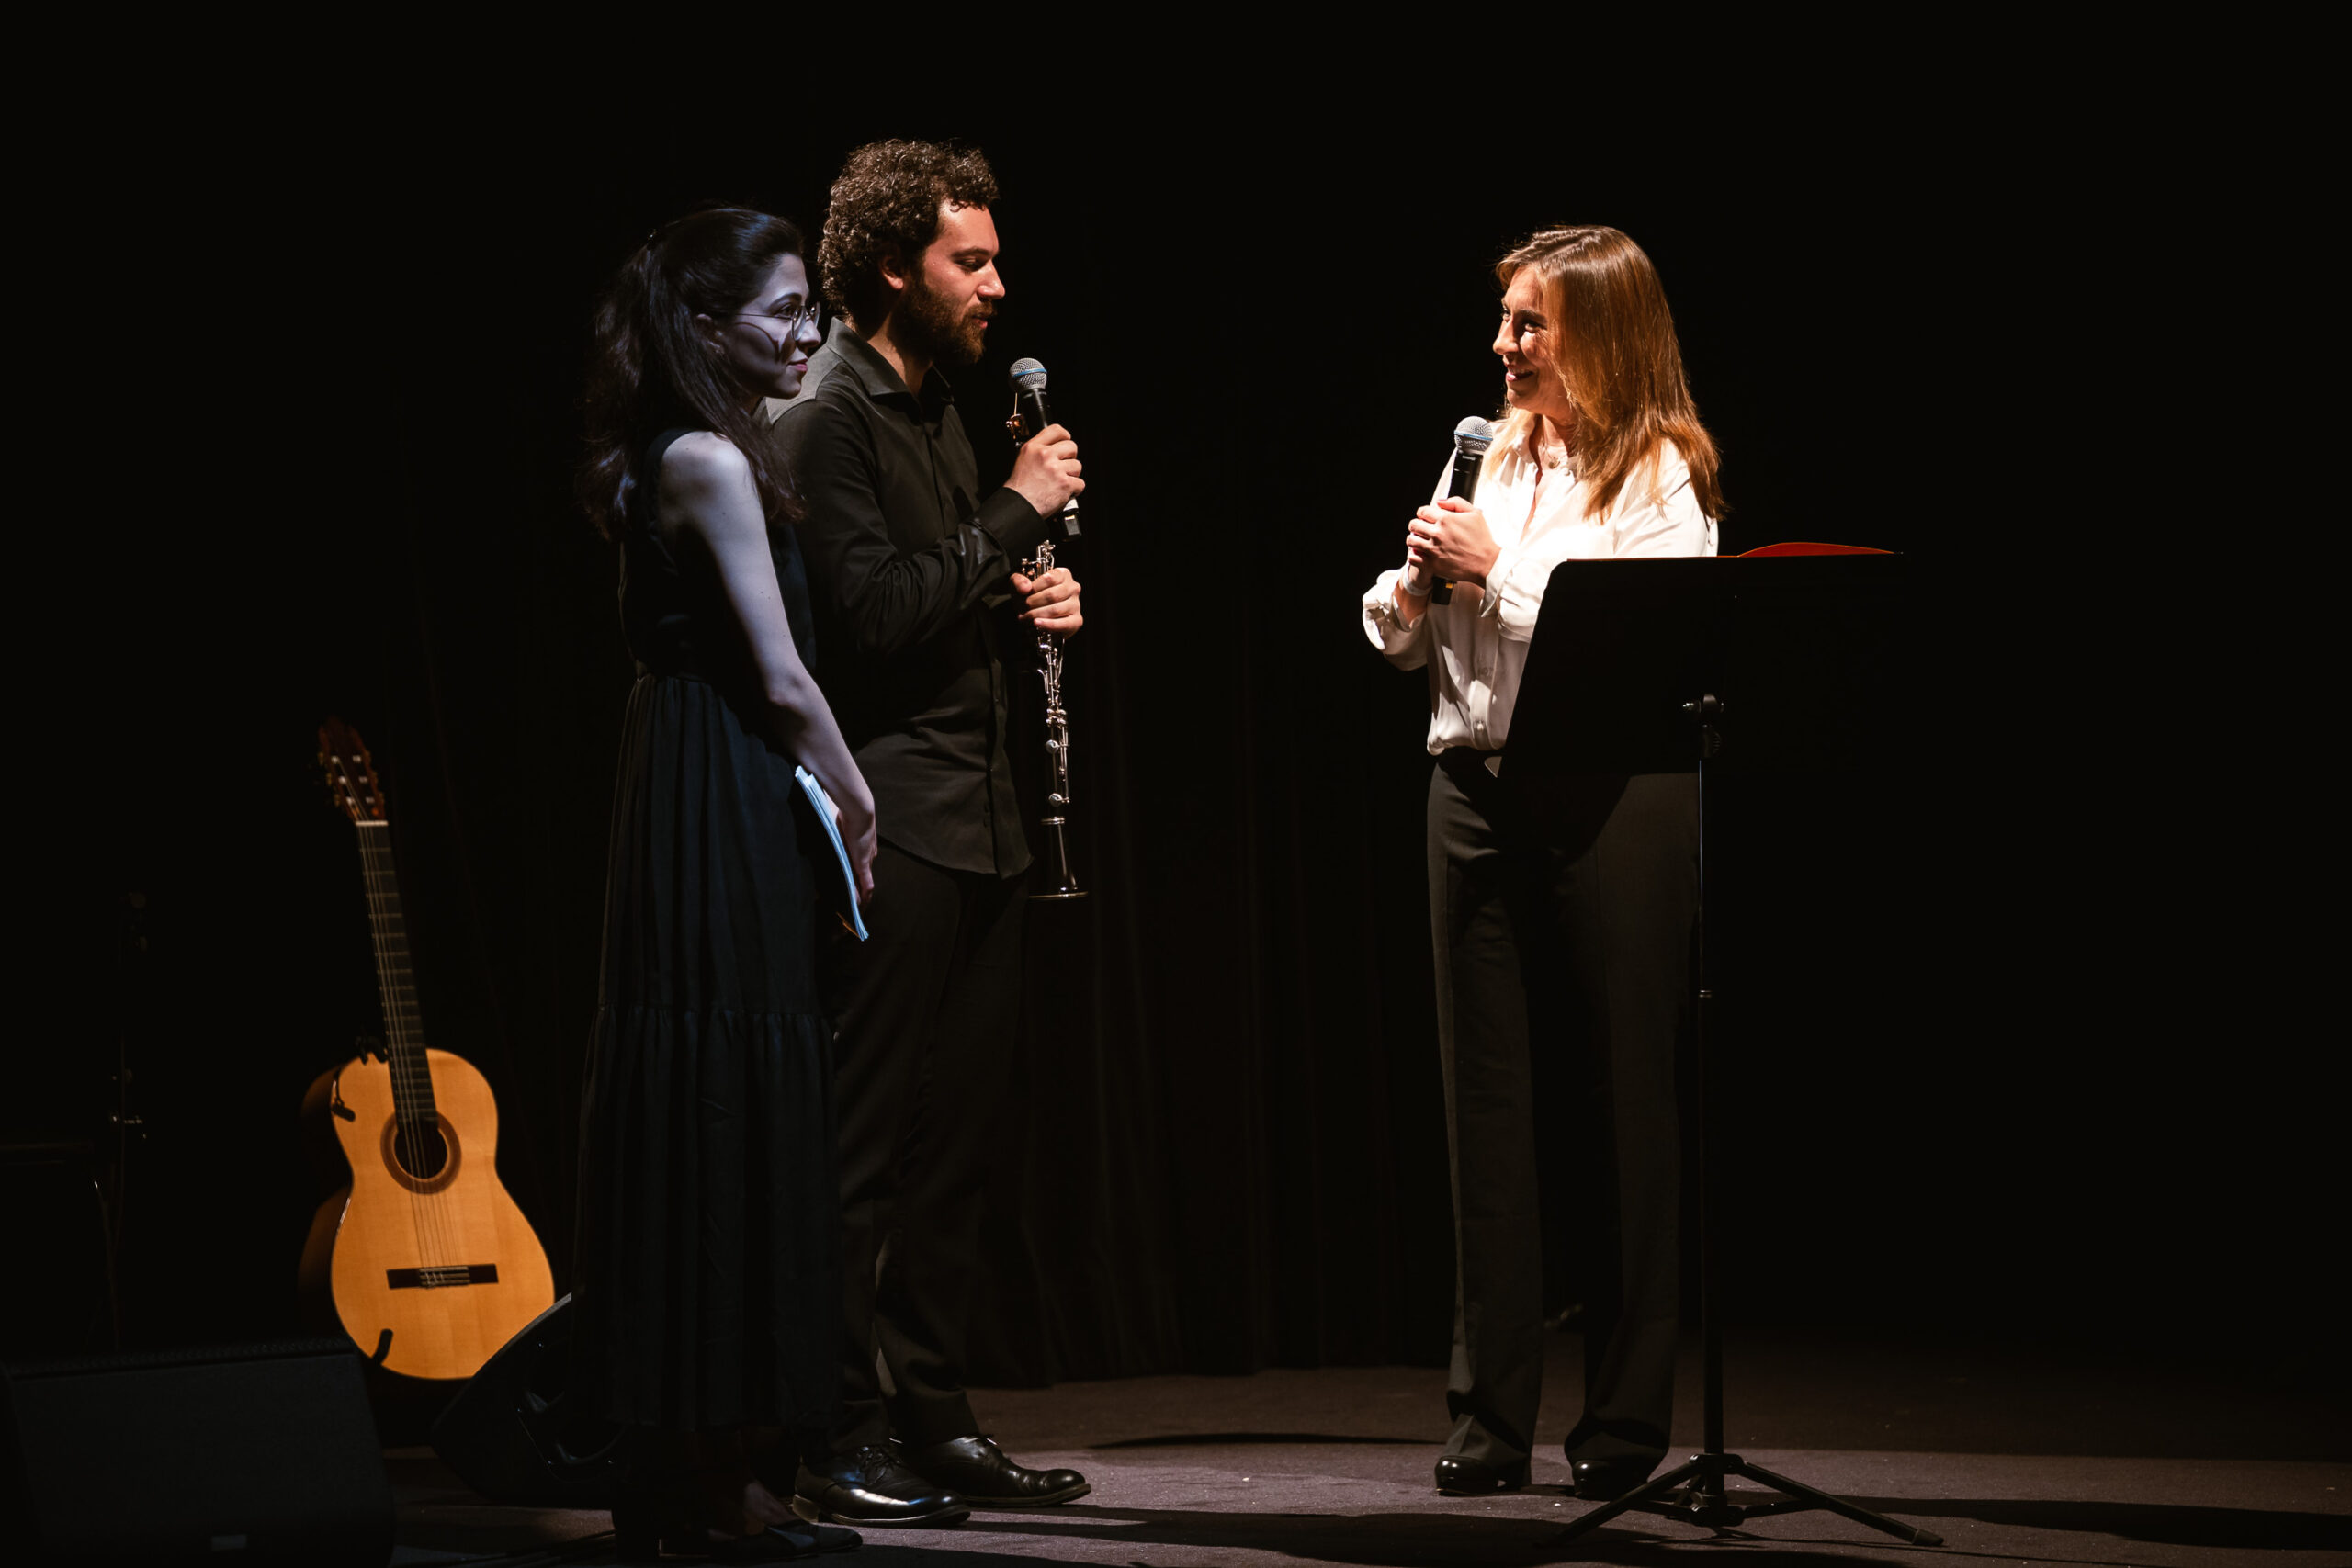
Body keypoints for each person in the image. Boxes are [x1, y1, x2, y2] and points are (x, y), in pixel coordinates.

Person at [1360, 225, 1725, 1503]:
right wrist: (1407, 599)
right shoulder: (1494, 451)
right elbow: (1408, 626)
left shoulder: (1662, 474)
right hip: (1470, 787)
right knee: (1488, 1116)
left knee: (1629, 1109)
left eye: (1529, 325)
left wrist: (1497, 572)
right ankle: (1489, 1415)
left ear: (1600, 335)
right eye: (1506, 321)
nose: (1503, 345)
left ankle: (1625, 1427)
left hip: (1613, 795)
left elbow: (1634, 646)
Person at [772, 140, 1091, 1528]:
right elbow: (873, 614)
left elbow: (950, 590)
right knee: (863, 1150)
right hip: (886, 824)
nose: (997, 287)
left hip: (987, 817)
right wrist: (1014, 512)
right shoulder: (825, 416)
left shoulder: (946, 408)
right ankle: (832, 1424)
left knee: (960, 1145)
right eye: (974, 260)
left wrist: (1034, 590)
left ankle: (936, 1411)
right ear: (894, 264)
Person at [571, 206, 878, 1560]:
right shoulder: (704, 458)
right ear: (705, 329)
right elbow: (777, 671)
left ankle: (717, 1458)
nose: (808, 329)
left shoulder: (697, 447)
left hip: (697, 778)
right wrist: (857, 799)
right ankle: (712, 1469)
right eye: (786, 307)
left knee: (729, 1090)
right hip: (726, 779)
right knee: (725, 1092)